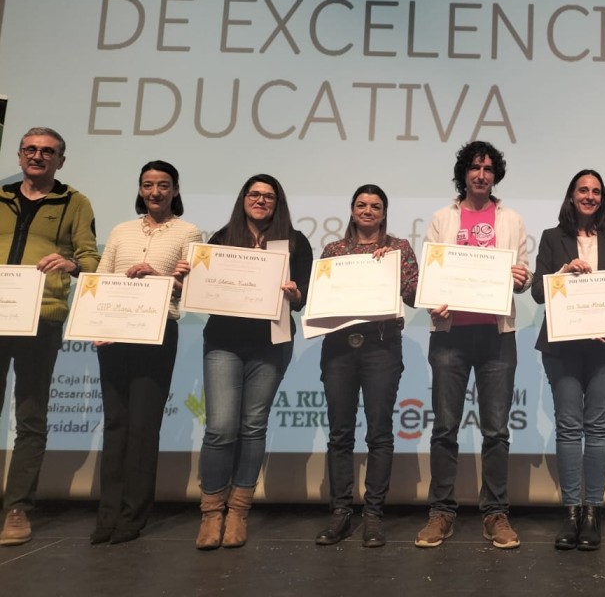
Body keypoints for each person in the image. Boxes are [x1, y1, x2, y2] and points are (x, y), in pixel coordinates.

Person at [416, 141, 532, 550]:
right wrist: (434, 298)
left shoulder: (511, 218)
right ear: (463, 173)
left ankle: (495, 514)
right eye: (474, 168)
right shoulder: (441, 217)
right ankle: (441, 512)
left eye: (487, 168)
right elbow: (431, 274)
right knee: (445, 428)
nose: (481, 175)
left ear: (495, 174)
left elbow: (522, 271)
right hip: (450, 335)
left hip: (496, 335)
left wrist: (523, 278)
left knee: (496, 431)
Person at [190, 174, 312, 550]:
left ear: (278, 202)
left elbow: (304, 296)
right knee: (220, 428)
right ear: (243, 198)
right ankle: (212, 513)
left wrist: (295, 292)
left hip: (271, 343)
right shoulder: (222, 239)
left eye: (268, 196)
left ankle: (239, 511)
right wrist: (187, 279)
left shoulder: (294, 241)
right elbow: (203, 290)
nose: (260, 200)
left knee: (253, 426)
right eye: (254, 194)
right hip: (224, 341)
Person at [91, 160, 202, 545]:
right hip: (114, 335)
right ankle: (106, 514)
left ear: (175, 190)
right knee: (116, 424)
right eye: (148, 185)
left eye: (164, 185)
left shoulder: (189, 232)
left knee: (142, 426)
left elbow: (189, 292)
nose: (155, 192)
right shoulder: (120, 231)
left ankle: (132, 517)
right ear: (140, 190)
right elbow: (101, 279)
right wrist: (96, 324)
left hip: (157, 333)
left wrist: (160, 278)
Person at [0, 128, 99, 546]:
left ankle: (17, 509)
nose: (38, 156)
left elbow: (91, 258)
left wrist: (71, 263)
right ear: (20, 155)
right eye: (31, 150)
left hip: (42, 317)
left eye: (48, 152)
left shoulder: (75, 202)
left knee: (31, 415)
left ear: (61, 160)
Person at [531, 169, 605, 551]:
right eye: (582, 190)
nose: (589, 196)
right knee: (568, 427)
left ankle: (593, 513)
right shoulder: (550, 238)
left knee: (597, 427)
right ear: (571, 195)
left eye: (595, 191)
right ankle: (570, 512)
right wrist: (562, 272)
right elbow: (539, 295)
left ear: (602, 198)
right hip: (563, 347)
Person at [313, 184, 418, 548]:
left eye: (375, 206)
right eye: (362, 205)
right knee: (340, 433)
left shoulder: (399, 249)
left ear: (384, 212)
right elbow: (319, 298)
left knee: (379, 433)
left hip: (381, 347)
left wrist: (394, 271)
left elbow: (415, 295)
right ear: (352, 209)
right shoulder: (333, 251)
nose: (368, 211)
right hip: (339, 348)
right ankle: (341, 512)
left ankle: (373, 515)